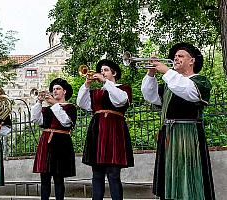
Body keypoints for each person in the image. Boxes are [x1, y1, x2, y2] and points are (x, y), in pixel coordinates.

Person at [141, 42, 215, 200]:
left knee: (188, 176)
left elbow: (189, 91)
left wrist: (167, 71)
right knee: (168, 178)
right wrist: (151, 73)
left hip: (188, 136)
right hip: (169, 137)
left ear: (192, 61)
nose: (176, 58)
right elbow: (150, 95)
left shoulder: (200, 81)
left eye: (180, 56)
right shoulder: (171, 84)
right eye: (174, 57)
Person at [77, 59, 134, 200]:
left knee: (113, 174)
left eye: (106, 70)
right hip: (97, 132)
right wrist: (87, 84)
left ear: (114, 72)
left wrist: (105, 82)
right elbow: (81, 103)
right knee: (97, 174)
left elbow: (119, 100)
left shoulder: (124, 88)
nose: (102, 72)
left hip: (115, 130)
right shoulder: (96, 92)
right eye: (101, 70)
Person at [31, 78, 77, 200]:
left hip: (61, 143)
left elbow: (66, 122)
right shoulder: (47, 109)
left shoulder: (70, 107)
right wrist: (39, 102)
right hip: (45, 142)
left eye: (58, 89)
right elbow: (36, 119)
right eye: (53, 89)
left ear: (65, 91)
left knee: (58, 178)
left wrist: (55, 105)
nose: (54, 91)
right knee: (44, 178)